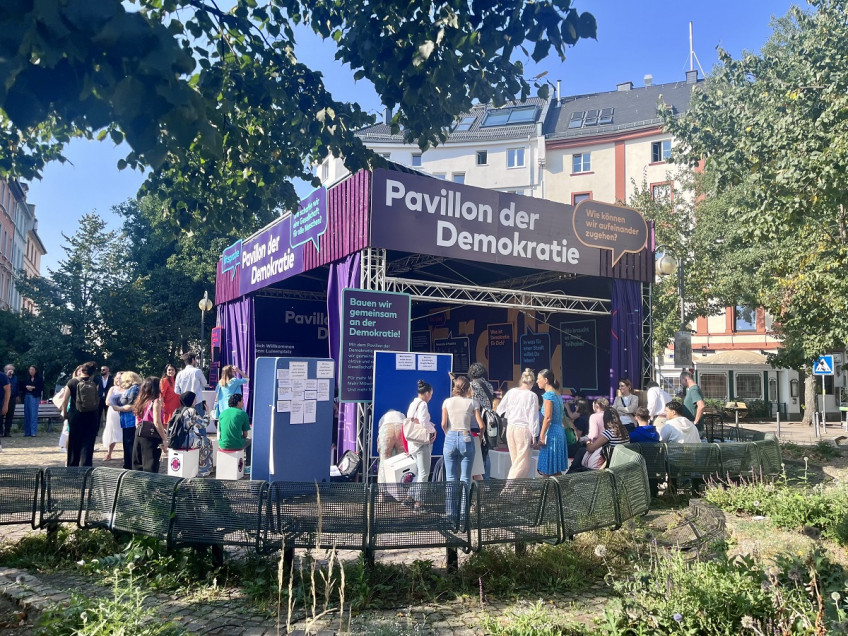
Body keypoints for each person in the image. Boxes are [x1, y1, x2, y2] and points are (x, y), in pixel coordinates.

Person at [441, 375, 483, 519]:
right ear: (468, 388)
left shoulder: (447, 402)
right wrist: (481, 436)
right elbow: (481, 425)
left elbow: (443, 423)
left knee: (451, 477)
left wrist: (448, 434)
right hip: (466, 437)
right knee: (465, 478)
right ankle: (464, 513)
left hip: (451, 437)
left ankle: (450, 513)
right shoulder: (473, 403)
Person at [496, 368, 539, 479]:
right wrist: (534, 434)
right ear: (532, 382)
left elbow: (500, 409)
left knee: (516, 461)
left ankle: (522, 489)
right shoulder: (532, 396)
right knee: (522, 463)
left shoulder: (511, 392)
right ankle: (508, 487)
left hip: (511, 428)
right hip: (524, 429)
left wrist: (509, 415)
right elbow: (533, 417)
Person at [58, 361, 100, 467]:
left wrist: (65, 413)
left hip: (76, 415)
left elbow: (65, 400)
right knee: (88, 442)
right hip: (91, 415)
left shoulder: (72, 382)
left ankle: (72, 466)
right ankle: (86, 466)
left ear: (81, 370)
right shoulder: (94, 382)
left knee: (74, 442)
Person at [404, 380, 436, 510]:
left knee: (418, 471)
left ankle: (410, 497)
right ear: (427, 393)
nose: (431, 397)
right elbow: (423, 422)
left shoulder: (413, 404)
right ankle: (419, 502)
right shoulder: (422, 404)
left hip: (412, 443)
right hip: (421, 443)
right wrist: (432, 431)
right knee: (424, 473)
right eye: (431, 394)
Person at [132, 376, 168, 473]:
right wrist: (164, 439)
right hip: (151, 435)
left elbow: (137, 420)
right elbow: (157, 422)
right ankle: (149, 487)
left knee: (138, 464)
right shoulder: (155, 401)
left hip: (139, 432)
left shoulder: (140, 400)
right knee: (150, 464)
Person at [536, 369, 568, 476]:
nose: (537, 381)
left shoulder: (548, 395)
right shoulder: (557, 394)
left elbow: (548, 417)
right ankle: (559, 491)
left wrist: (541, 435)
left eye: (538, 379)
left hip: (551, 434)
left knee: (547, 469)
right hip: (559, 432)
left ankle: (552, 492)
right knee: (554, 470)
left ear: (545, 380)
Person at [467, 362, 493, 481]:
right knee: (486, 450)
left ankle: (477, 479)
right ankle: (486, 479)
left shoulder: (471, 385)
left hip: (477, 421)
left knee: (476, 452)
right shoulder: (489, 385)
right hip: (488, 419)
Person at [114, 372, 142, 469]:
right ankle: (129, 464)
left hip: (130, 420)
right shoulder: (136, 388)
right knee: (129, 444)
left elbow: (131, 406)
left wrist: (118, 408)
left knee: (129, 444)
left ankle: (130, 466)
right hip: (128, 421)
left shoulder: (134, 389)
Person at [175, 352, 208, 416]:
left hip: (184, 403)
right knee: (199, 423)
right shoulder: (197, 371)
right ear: (193, 360)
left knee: (186, 423)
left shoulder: (180, 374)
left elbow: (176, 390)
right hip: (197, 401)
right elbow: (205, 383)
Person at [101, 372, 123, 460]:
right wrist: (116, 403)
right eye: (117, 378)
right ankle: (109, 453)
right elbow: (107, 402)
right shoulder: (112, 389)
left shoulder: (128, 389)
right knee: (112, 431)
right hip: (113, 412)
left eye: (120, 378)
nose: (118, 380)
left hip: (124, 411)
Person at [3, 365, 18, 437]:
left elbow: (16, 387)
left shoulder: (15, 378)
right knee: (1, 415)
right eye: (9, 369)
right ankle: (0, 431)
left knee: (10, 416)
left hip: (12, 398)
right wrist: (6, 376)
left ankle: (7, 431)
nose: (10, 371)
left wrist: (17, 396)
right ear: (5, 370)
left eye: (12, 369)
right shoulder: (3, 377)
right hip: (3, 398)